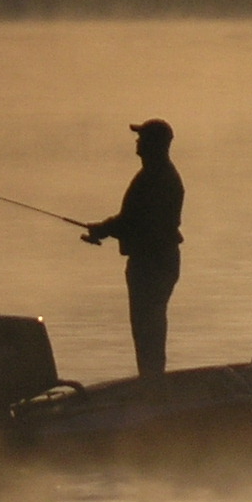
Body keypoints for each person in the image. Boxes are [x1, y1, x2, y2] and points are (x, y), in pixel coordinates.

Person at [84, 118, 184, 378]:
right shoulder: (155, 175)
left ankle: (152, 383)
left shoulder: (156, 178)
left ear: (154, 144)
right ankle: (151, 380)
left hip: (152, 264)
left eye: (142, 137)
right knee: (148, 325)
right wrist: (105, 230)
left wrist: (103, 230)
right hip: (156, 261)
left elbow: (135, 222)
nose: (137, 142)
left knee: (147, 326)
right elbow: (134, 222)